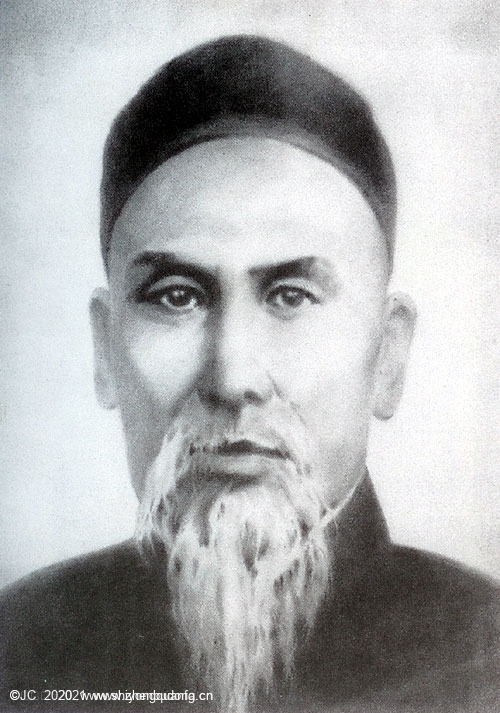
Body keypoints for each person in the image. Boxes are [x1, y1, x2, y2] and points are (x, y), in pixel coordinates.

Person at [1, 35, 499, 713]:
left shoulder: (485, 656)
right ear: (105, 350)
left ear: (387, 356)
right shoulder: (20, 647)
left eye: (291, 296)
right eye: (177, 296)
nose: (233, 377)